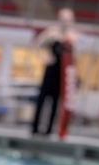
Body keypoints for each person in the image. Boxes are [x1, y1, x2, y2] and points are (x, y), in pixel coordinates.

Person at [31, 8, 77, 136]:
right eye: (63, 20)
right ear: (59, 20)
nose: (65, 23)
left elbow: (73, 56)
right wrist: (43, 58)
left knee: (56, 101)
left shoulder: (73, 36)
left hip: (62, 73)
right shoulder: (52, 33)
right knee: (42, 99)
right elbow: (36, 44)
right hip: (51, 70)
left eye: (68, 20)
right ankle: (35, 128)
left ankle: (49, 130)